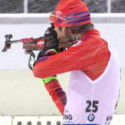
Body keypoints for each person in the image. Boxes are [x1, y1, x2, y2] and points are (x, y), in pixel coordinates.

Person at [24, 0, 121, 125]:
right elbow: (71, 116)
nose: (56, 33)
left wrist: (50, 48)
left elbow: (40, 69)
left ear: (66, 29)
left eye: (57, 29)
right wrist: (49, 81)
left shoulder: (92, 47)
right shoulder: (94, 47)